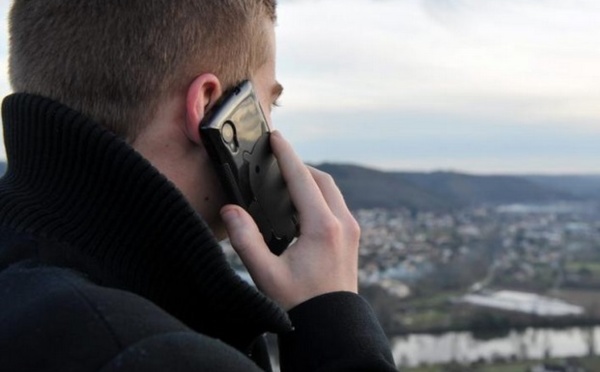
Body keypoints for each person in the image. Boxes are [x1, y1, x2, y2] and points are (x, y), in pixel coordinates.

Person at [0, 1, 396, 371]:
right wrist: (333, 319)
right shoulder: (159, 354)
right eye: (267, 107)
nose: (273, 135)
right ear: (206, 105)